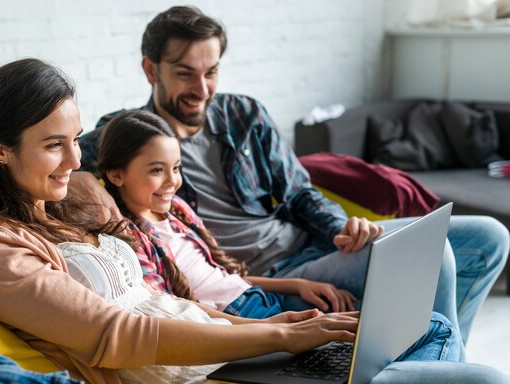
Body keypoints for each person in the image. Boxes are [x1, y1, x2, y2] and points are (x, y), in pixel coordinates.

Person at [0, 58, 510, 384]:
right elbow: (117, 334)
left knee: (431, 327)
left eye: (74, 138)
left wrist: (267, 326)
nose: (73, 160)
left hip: (235, 352)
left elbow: (165, 299)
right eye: (52, 145)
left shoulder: (63, 212)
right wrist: (275, 342)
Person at [75, 5, 510, 353]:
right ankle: (436, 374)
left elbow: (299, 191)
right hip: (257, 277)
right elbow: (65, 169)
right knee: (434, 257)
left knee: (490, 237)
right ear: (151, 70)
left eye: (211, 72)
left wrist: (340, 226)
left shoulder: (244, 113)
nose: (202, 88)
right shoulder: (129, 137)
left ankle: (441, 364)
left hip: (312, 245)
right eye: (185, 73)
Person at [97, 109, 356, 316]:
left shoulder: (177, 211)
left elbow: (226, 279)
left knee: (355, 316)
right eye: (156, 170)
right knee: (343, 336)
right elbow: (171, 309)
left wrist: (299, 286)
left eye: (176, 168)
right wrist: (276, 330)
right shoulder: (129, 239)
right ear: (116, 174)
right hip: (237, 319)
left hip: (258, 297)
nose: (172, 181)